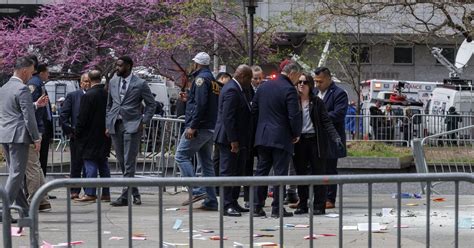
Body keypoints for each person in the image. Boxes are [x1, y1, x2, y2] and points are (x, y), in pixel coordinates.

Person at [252, 62, 302, 218]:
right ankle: (277, 208)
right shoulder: (289, 90)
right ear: (293, 73)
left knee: (261, 172)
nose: (298, 81)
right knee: (280, 173)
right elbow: (293, 115)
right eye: (298, 77)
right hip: (281, 137)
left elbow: (254, 110)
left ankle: (257, 207)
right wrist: (296, 133)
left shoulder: (263, 87)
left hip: (263, 136)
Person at [106, 56, 156, 207]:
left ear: (128, 66)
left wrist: (144, 121)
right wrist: (108, 123)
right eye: (117, 65)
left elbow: (151, 105)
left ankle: (124, 196)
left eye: (120, 66)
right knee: (121, 161)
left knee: (129, 161)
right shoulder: (113, 82)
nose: (117, 68)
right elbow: (109, 104)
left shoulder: (140, 84)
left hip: (133, 125)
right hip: (116, 124)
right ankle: (134, 192)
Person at [292, 73, 342, 215]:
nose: (301, 84)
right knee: (301, 174)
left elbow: (326, 121)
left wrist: (335, 137)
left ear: (310, 85)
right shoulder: (293, 101)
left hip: (315, 141)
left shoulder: (317, 102)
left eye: (304, 82)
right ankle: (302, 204)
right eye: (299, 82)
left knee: (318, 173)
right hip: (299, 141)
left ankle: (319, 205)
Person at [175, 52, 219, 210]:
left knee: (181, 156)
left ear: (197, 64)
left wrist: (193, 126)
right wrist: (189, 97)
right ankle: (211, 201)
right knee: (207, 163)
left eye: (194, 63)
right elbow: (204, 102)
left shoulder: (201, 79)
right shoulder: (212, 80)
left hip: (199, 126)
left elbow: (201, 105)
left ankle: (196, 190)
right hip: (209, 126)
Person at [0, 56, 41, 222]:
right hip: (18, 136)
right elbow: (28, 117)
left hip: (4, 134)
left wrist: (36, 105)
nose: (31, 76)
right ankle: (3, 209)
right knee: (16, 174)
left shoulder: (4, 88)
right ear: (24, 71)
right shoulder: (22, 89)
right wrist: (36, 138)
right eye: (31, 73)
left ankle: (24, 211)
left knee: (14, 174)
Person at [214, 65, 253, 217]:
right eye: (249, 79)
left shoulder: (239, 88)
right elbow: (228, 117)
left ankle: (234, 201)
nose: (250, 82)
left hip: (239, 138)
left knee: (238, 171)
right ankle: (226, 204)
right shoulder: (231, 90)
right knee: (228, 171)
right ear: (243, 76)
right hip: (229, 139)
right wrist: (233, 140)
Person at [313, 67, 348, 210]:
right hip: (315, 138)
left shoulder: (339, 94)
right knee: (314, 169)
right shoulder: (314, 92)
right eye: (315, 81)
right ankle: (314, 198)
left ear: (328, 79)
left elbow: (339, 114)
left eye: (320, 81)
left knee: (330, 169)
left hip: (330, 138)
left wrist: (319, 118)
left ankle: (329, 198)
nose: (317, 84)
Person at [75, 70, 111, 202]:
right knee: (103, 163)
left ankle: (90, 192)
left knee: (90, 163)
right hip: (104, 134)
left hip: (89, 135)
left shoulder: (88, 96)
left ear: (89, 80)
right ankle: (106, 192)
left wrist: (77, 133)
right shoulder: (107, 94)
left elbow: (82, 117)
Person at [25, 63, 52, 211]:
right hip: (36, 128)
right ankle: (42, 200)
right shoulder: (35, 83)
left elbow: (30, 109)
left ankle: (36, 200)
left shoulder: (34, 83)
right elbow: (31, 108)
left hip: (35, 129)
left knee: (33, 167)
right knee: (35, 166)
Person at [60, 73, 91, 199]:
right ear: (80, 82)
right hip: (76, 136)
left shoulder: (94, 96)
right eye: (85, 81)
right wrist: (70, 131)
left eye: (89, 81)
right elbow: (64, 116)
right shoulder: (73, 96)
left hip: (91, 137)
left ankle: (89, 191)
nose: (87, 84)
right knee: (76, 164)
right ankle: (75, 190)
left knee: (89, 165)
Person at [243, 65, 264, 208]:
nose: (258, 81)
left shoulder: (264, 90)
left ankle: (259, 198)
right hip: (249, 134)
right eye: (255, 78)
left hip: (261, 133)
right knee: (247, 167)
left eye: (260, 78)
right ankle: (248, 198)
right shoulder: (245, 91)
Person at [27, 62, 53, 179]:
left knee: (42, 160)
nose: (48, 75)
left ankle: (42, 189)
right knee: (37, 162)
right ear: (42, 73)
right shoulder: (34, 83)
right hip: (38, 125)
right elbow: (31, 106)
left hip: (43, 125)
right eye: (47, 72)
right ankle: (36, 192)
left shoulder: (39, 83)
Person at [212, 71, 232, 179]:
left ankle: (215, 187)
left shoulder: (217, 88)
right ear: (223, 78)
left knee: (217, 159)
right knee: (222, 161)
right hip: (222, 129)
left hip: (218, 129)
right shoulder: (222, 89)